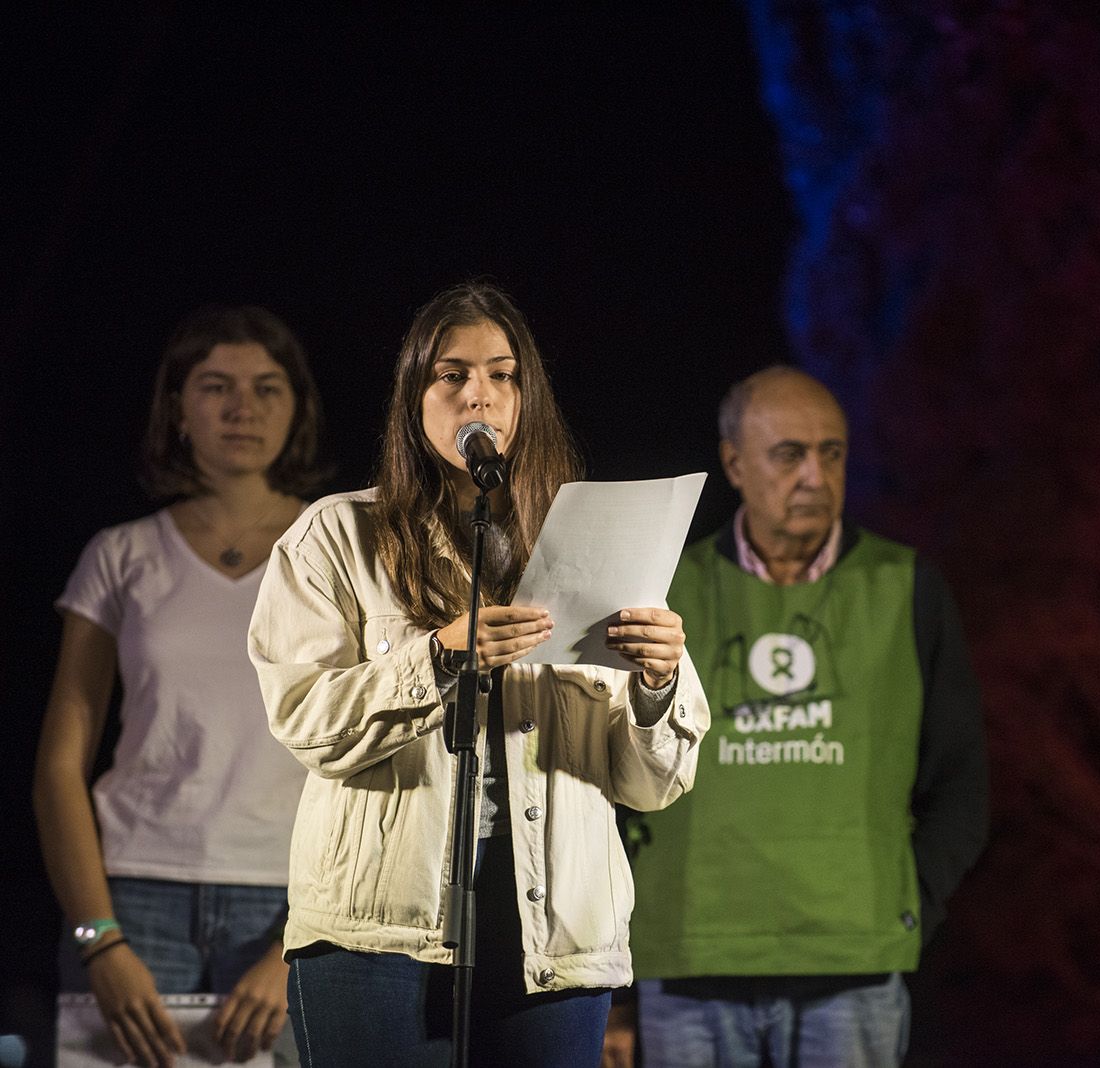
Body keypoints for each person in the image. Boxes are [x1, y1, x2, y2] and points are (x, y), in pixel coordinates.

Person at [247, 280, 710, 1067]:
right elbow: (304, 720)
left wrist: (657, 684)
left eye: (502, 375)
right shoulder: (335, 536)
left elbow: (654, 784)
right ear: (414, 397)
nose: (479, 396)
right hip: (374, 932)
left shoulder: (596, 544)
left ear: (527, 398)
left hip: (555, 930)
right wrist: (434, 658)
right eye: (451, 374)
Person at [621, 366, 989, 1067]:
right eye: (789, 455)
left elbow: (961, 783)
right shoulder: (662, 592)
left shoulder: (908, 587)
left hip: (854, 965)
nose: (815, 476)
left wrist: (907, 901)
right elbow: (613, 776)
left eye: (832, 453)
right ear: (734, 463)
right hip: (691, 957)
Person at [33, 305, 329, 1068]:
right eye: (216, 386)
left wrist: (303, 939)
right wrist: (99, 939)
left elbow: (374, 766)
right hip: (133, 899)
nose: (242, 408)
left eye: (267, 387)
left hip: (295, 901)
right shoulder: (121, 554)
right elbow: (60, 764)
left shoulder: (338, 550)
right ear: (178, 408)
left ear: (297, 408)